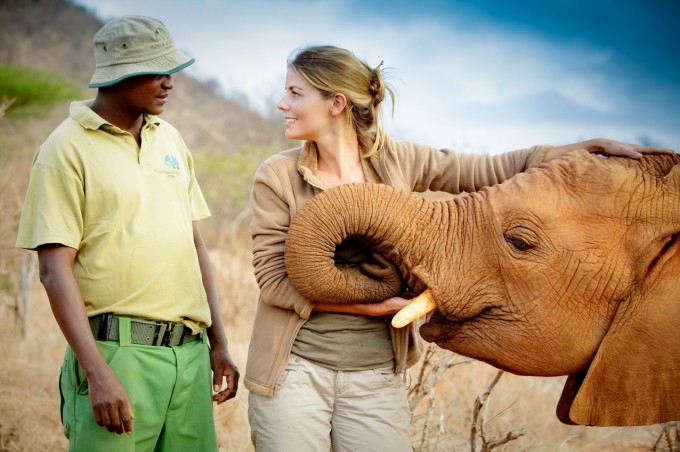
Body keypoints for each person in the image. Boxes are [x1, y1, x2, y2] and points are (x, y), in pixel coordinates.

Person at [244, 44, 673, 451]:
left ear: (336, 103)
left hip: (376, 374)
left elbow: (488, 169)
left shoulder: (398, 160)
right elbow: (274, 282)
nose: (281, 102)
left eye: (294, 92)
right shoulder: (277, 176)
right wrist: (371, 306)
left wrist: (588, 146)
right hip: (294, 372)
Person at [15, 15, 239, 451]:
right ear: (118, 73)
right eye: (157, 70)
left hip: (189, 358)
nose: (169, 82)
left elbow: (194, 246)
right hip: (118, 355)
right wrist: (97, 372)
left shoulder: (171, 140)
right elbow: (52, 271)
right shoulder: (65, 149)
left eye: (170, 70)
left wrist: (218, 341)